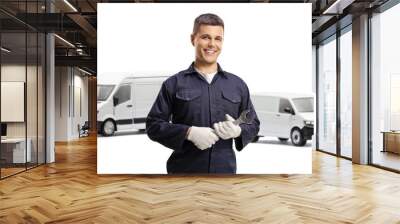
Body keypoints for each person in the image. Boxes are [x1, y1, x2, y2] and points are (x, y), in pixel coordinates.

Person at [146, 13, 260, 174]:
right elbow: (153, 125)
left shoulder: (237, 85)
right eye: (206, 37)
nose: (212, 44)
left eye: (218, 38)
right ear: (193, 39)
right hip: (182, 175)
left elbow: (253, 123)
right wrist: (189, 133)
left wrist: (238, 131)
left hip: (224, 174)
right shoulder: (173, 84)